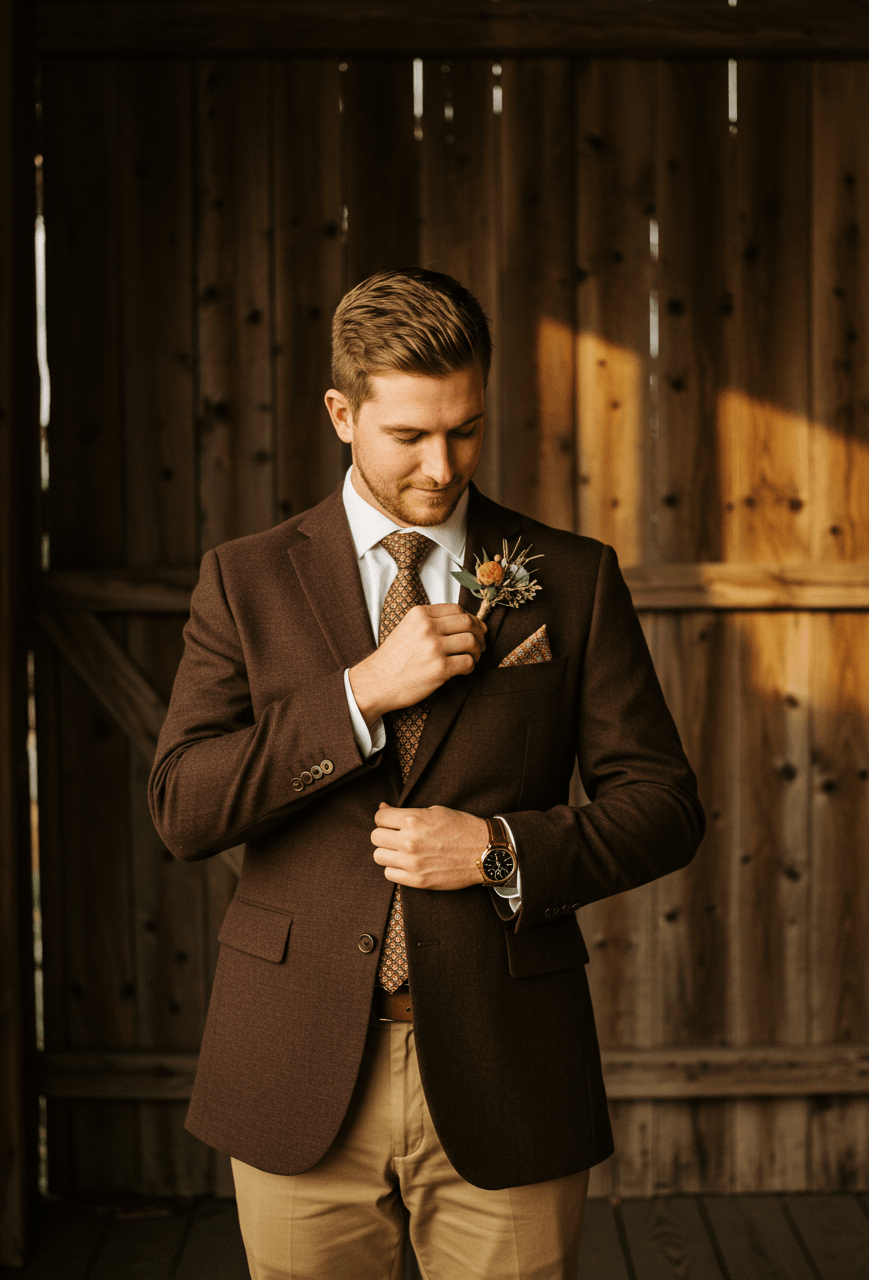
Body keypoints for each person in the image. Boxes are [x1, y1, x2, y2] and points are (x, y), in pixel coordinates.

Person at [149, 267, 704, 1279]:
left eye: (465, 429)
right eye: (409, 434)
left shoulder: (568, 578)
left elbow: (664, 808)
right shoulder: (244, 577)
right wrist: (358, 693)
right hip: (293, 1059)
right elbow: (182, 804)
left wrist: (500, 851)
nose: (442, 466)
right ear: (340, 412)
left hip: (508, 1059)